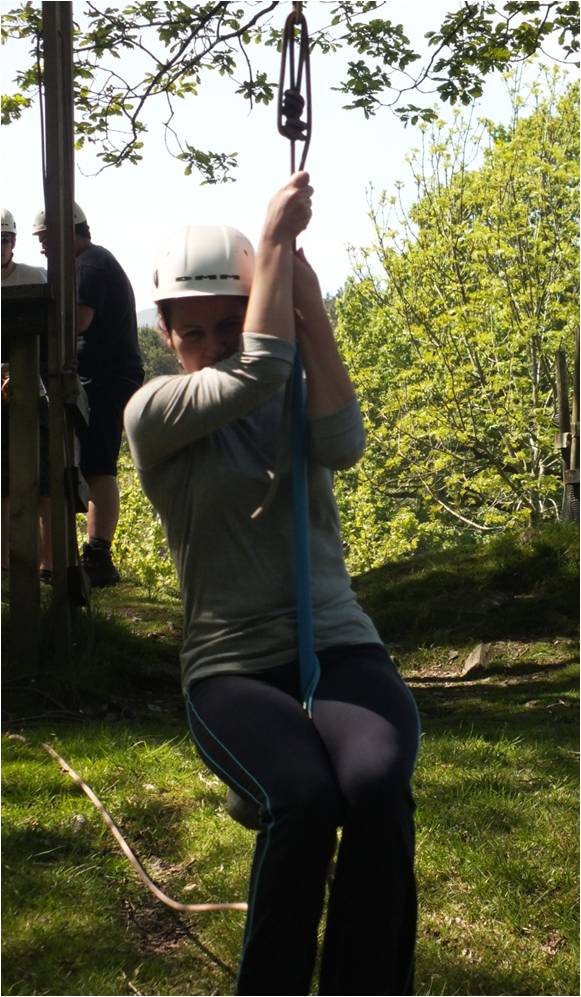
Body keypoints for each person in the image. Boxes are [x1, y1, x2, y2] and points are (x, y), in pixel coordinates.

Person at [124, 172, 420, 996]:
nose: (215, 343)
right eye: (194, 331)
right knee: (302, 799)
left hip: (336, 642)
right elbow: (252, 373)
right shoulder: (154, 410)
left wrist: (308, 306)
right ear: (166, 334)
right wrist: (274, 238)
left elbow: (344, 444)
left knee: (374, 787)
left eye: (232, 322)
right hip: (232, 665)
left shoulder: (288, 390)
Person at [33, 202, 144, 586]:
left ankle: (98, 555)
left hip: (108, 379)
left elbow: (76, 321)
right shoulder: (88, 263)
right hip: (102, 377)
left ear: (70, 230)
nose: (43, 246)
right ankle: (84, 555)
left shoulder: (90, 265)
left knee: (98, 466)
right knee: (89, 465)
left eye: (47, 237)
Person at [1, 207, 52, 582]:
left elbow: (49, 339)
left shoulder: (35, 278)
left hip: (33, 390)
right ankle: (5, 564)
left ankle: (47, 565)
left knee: (42, 481)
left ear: (14, 242)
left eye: (3, 240)